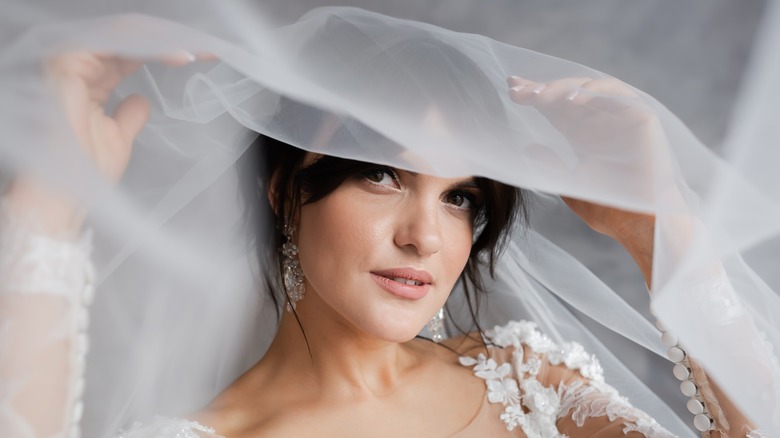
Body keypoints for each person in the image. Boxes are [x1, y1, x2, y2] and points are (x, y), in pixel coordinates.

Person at [0, 5, 777, 438]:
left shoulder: (525, 380)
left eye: (459, 197)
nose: (425, 237)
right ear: (285, 188)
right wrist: (50, 200)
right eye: (381, 174)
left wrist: (659, 227)